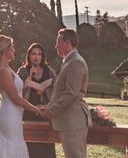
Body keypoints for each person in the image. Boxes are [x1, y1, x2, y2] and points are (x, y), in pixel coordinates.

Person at [38, 29, 91, 158]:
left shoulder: (76, 62)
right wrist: (49, 107)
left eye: (58, 43)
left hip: (73, 122)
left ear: (67, 43)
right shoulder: (70, 61)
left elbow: (71, 94)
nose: (56, 46)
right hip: (69, 121)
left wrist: (51, 111)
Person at [0, 35, 40, 158]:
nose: (14, 50)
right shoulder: (2, 71)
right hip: (10, 116)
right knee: (12, 149)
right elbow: (15, 98)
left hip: (14, 116)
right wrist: (36, 110)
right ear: (5, 50)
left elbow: (18, 91)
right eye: (12, 47)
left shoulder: (7, 68)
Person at [17, 43, 56, 158]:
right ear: (29, 56)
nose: (36, 57)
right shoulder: (23, 70)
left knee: (46, 145)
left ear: (42, 56)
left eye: (39, 54)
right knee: (30, 145)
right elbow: (19, 90)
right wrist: (29, 76)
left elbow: (57, 85)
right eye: (33, 54)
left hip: (44, 111)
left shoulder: (49, 71)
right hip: (28, 112)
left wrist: (44, 88)